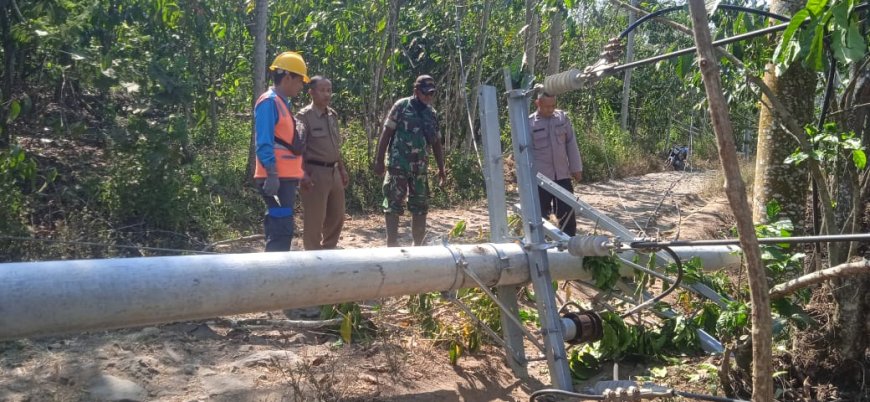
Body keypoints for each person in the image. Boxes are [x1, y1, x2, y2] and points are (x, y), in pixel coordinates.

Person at [374, 74, 447, 247]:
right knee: (393, 205)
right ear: (416, 91)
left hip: (420, 169)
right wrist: (379, 161)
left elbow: (436, 142)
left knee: (420, 207)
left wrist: (441, 168)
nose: (428, 97)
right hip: (398, 166)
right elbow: (386, 133)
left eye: (431, 94)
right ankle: (391, 244)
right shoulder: (401, 106)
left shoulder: (431, 113)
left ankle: (418, 247)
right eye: (425, 93)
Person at [253, 51, 309, 252]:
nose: (301, 86)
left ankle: (275, 275)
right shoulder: (269, 102)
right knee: (281, 229)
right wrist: (272, 174)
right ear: (287, 78)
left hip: (284, 178)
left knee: (281, 226)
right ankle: (274, 277)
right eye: (299, 81)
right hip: (276, 178)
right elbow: (264, 141)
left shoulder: (281, 103)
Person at [296, 76, 348, 250]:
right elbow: (299, 148)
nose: (327, 94)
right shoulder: (304, 117)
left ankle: (329, 251)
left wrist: (341, 169)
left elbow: (335, 145)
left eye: (329, 90)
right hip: (315, 173)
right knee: (315, 219)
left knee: (337, 216)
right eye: (322, 90)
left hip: (333, 172)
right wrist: (301, 173)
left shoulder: (332, 115)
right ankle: (312, 256)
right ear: (311, 92)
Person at [530, 92, 583, 237]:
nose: (551, 109)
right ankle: (544, 245)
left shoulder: (562, 118)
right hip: (541, 179)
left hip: (562, 175)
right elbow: (524, 153)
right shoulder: (529, 123)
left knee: (567, 213)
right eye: (547, 106)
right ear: (538, 104)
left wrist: (576, 168)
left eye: (553, 105)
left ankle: (568, 246)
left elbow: (571, 144)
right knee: (540, 215)